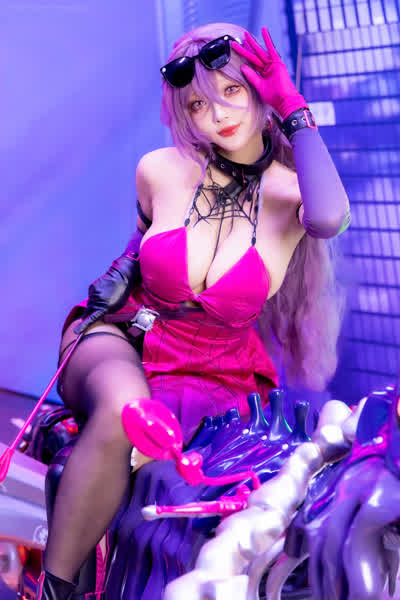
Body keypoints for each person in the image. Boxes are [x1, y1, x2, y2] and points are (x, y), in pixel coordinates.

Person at [35, 22, 350, 600]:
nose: (217, 115)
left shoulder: (291, 194)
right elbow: (140, 251)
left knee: (207, 488)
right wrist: (113, 284)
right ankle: (50, 591)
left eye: (232, 91)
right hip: (123, 336)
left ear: (260, 90)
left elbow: (330, 217)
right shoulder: (160, 167)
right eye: (198, 104)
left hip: (214, 371)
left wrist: (293, 108)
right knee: (126, 409)